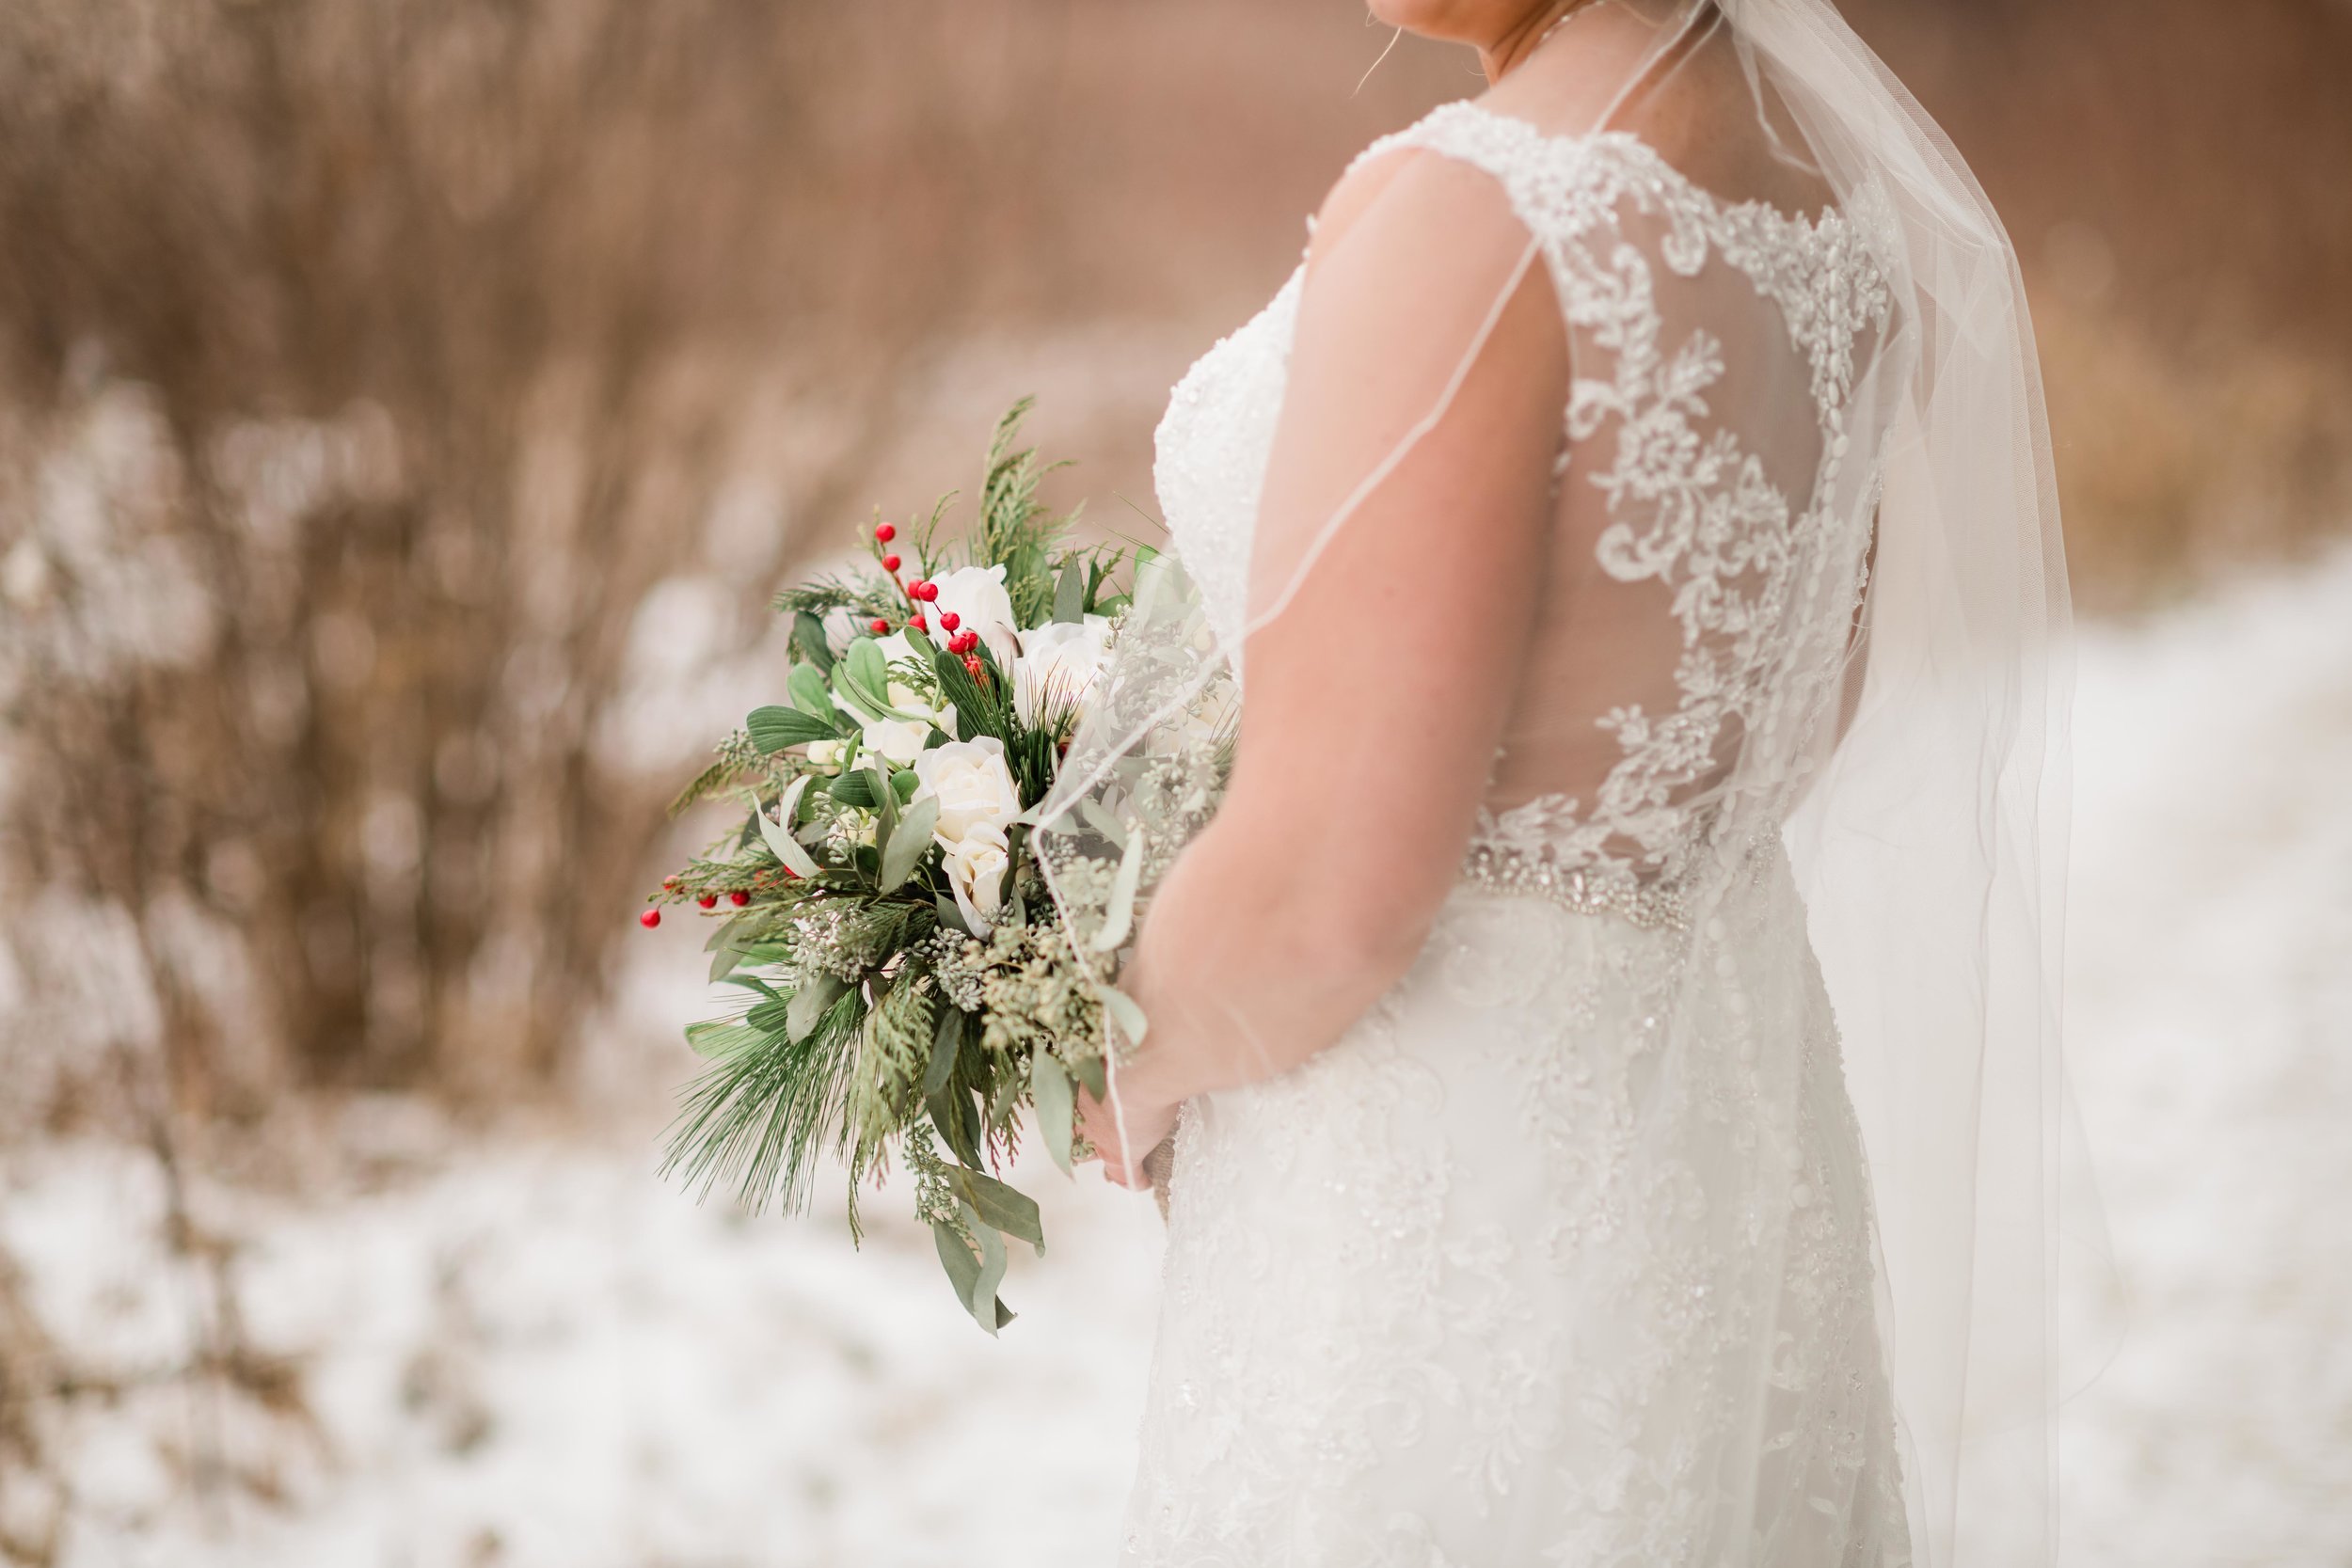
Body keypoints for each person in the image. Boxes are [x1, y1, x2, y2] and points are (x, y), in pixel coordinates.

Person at [1040, 1, 2090, 1560]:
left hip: (1441, 1211)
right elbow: (1794, 706)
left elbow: (1334, 889)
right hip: (1718, 1148)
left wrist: (1111, 1050)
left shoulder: (1479, 209)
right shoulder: (1830, 203)